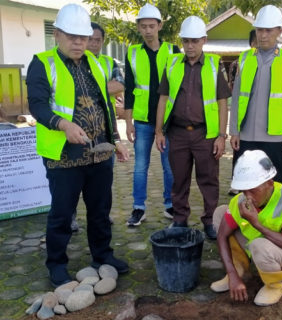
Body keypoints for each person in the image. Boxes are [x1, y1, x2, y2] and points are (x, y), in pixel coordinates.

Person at [26, 3, 129, 287]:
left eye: (82, 37)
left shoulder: (95, 63)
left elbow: (105, 105)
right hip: (64, 157)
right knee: (62, 213)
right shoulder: (42, 62)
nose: (78, 42)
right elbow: (36, 104)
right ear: (57, 34)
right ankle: (57, 265)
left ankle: (102, 256)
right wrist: (63, 125)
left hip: (99, 155)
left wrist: (116, 141)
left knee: (100, 211)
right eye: (71, 36)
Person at [155, 16, 231, 240]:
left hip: (204, 135)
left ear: (204, 41)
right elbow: (163, 99)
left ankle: (210, 221)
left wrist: (221, 136)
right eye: (186, 41)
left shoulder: (215, 65)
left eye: (194, 41)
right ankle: (180, 219)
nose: (189, 46)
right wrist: (159, 131)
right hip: (177, 133)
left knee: (209, 180)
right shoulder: (171, 64)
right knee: (179, 178)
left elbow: (222, 103)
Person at [210, 150, 282, 306]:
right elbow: (222, 235)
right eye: (243, 190)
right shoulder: (240, 200)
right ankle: (240, 271)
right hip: (263, 250)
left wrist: (256, 223)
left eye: (253, 190)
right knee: (220, 213)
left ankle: (277, 284)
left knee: (259, 244)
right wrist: (232, 274)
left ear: (269, 183)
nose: (247, 196)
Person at [229, 5, 282, 187]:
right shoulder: (245, 58)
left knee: (277, 182)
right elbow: (237, 97)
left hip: (276, 137)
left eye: (268, 30)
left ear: (280, 31)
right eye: (260, 30)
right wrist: (234, 132)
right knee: (245, 182)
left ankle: (277, 216)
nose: (263, 35)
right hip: (246, 135)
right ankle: (248, 216)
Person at [124, 3, 180, 226]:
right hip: (143, 121)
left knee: (169, 166)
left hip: (168, 122)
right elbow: (128, 90)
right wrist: (128, 123)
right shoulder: (133, 53)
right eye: (143, 26)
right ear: (138, 27)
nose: (148, 30)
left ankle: (170, 205)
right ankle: (139, 208)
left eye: (151, 26)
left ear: (160, 26)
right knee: (140, 167)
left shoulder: (173, 51)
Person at [228, 29, 257, 196]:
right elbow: (234, 87)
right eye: (255, 41)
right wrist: (233, 129)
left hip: (266, 125)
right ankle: (236, 181)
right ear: (251, 43)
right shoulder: (241, 62)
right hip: (243, 118)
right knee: (240, 156)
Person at [88, 22, 125, 117]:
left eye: (97, 40)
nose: (94, 44)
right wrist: (108, 86)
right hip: (83, 117)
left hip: (108, 116)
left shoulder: (109, 62)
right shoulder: (75, 60)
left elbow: (121, 85)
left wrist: (87, 89)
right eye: (90, 39)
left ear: (103, 41)